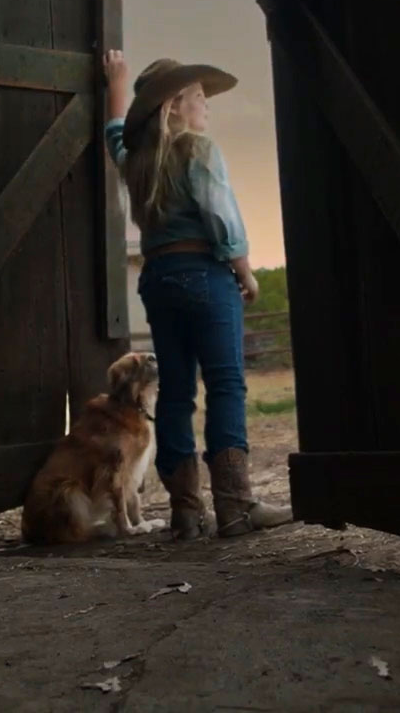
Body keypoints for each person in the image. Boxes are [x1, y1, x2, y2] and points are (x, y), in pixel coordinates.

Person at [101, 50, 293, 539]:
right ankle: (235, 507)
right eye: (200, 97)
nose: (207, 106)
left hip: (158, 279)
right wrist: (245, 271)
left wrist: (116, 83)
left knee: (176, 392)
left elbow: (115, 135)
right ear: (174, 105)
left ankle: (186, 512)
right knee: (226, 384)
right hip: (205, 274)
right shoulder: (198, 150)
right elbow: (220, 216)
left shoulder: (137, 162)